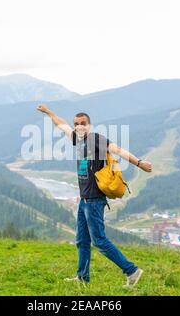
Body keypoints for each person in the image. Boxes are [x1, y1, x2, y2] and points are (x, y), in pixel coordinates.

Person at [37, 104, 152, 287]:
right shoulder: (78, 139)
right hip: (84, 201)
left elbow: (118, 150)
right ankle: (82, 277)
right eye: (77, 123)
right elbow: (62, 125)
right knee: (82, 240)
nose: (79, 126)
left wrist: (139, 163)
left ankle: (132, 271)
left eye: (83, 123)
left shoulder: (95, 139)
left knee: (99, 240)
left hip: (94, 201)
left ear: (89, 125)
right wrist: (49, 113)